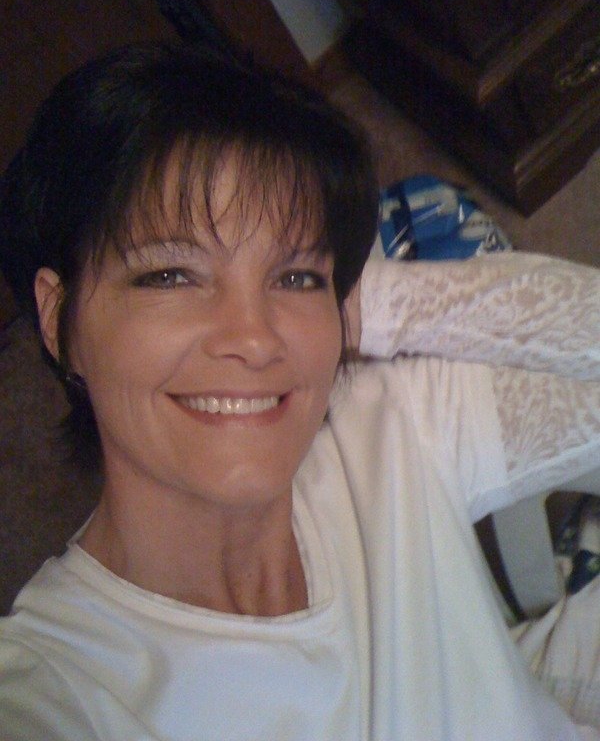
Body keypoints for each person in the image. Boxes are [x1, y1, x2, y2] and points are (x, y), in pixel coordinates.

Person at [0, 42, 598, 741]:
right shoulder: (55, 690)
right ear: (59, 321)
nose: (255, 339)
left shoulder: (384, 426)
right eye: (170, 276)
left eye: (294, 278)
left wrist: (364, 301)